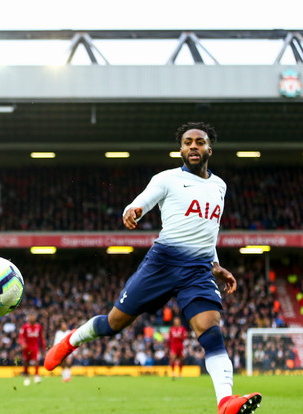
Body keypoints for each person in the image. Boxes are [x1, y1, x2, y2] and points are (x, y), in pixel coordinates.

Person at [45, 122, 262, 414]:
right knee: (113, 324)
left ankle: (225, 402)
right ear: (181, 149)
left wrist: (216, 266)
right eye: (188, 142)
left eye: (200, 142)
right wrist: (132, 210)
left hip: (198, 270)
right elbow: (141, 203)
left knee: (211, 331)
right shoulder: (167, 179)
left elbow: (208, 231)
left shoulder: (219, 186)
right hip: (162, 264)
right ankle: (71, 340)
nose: (193, 147)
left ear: (210, 148)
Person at [19, 312, 45, 386]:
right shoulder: (25, 327)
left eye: (33, 317)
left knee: (36, 361)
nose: (32, 318)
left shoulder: (39, 327)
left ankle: (36, 376)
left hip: (35, 347)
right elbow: (21, 337)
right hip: (27, 347)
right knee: (26, 362)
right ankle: (27, 378)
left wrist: (43, 347)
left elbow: (41, 338)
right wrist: (22, 344)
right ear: (28, 318)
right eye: (30, 317)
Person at [168, 316, 188, 380]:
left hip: (180, 345)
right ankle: (173, 373)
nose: (176, 323)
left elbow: (185, 338)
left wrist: (181, 337)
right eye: (175, 322)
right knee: (172, 359)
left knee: (180, 360)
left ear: (179, 322)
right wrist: (168, 346)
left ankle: (179, 373)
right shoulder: (171, 329)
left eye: (177, 322)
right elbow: (170, 338)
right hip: (174, 345)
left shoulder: (182, 329)